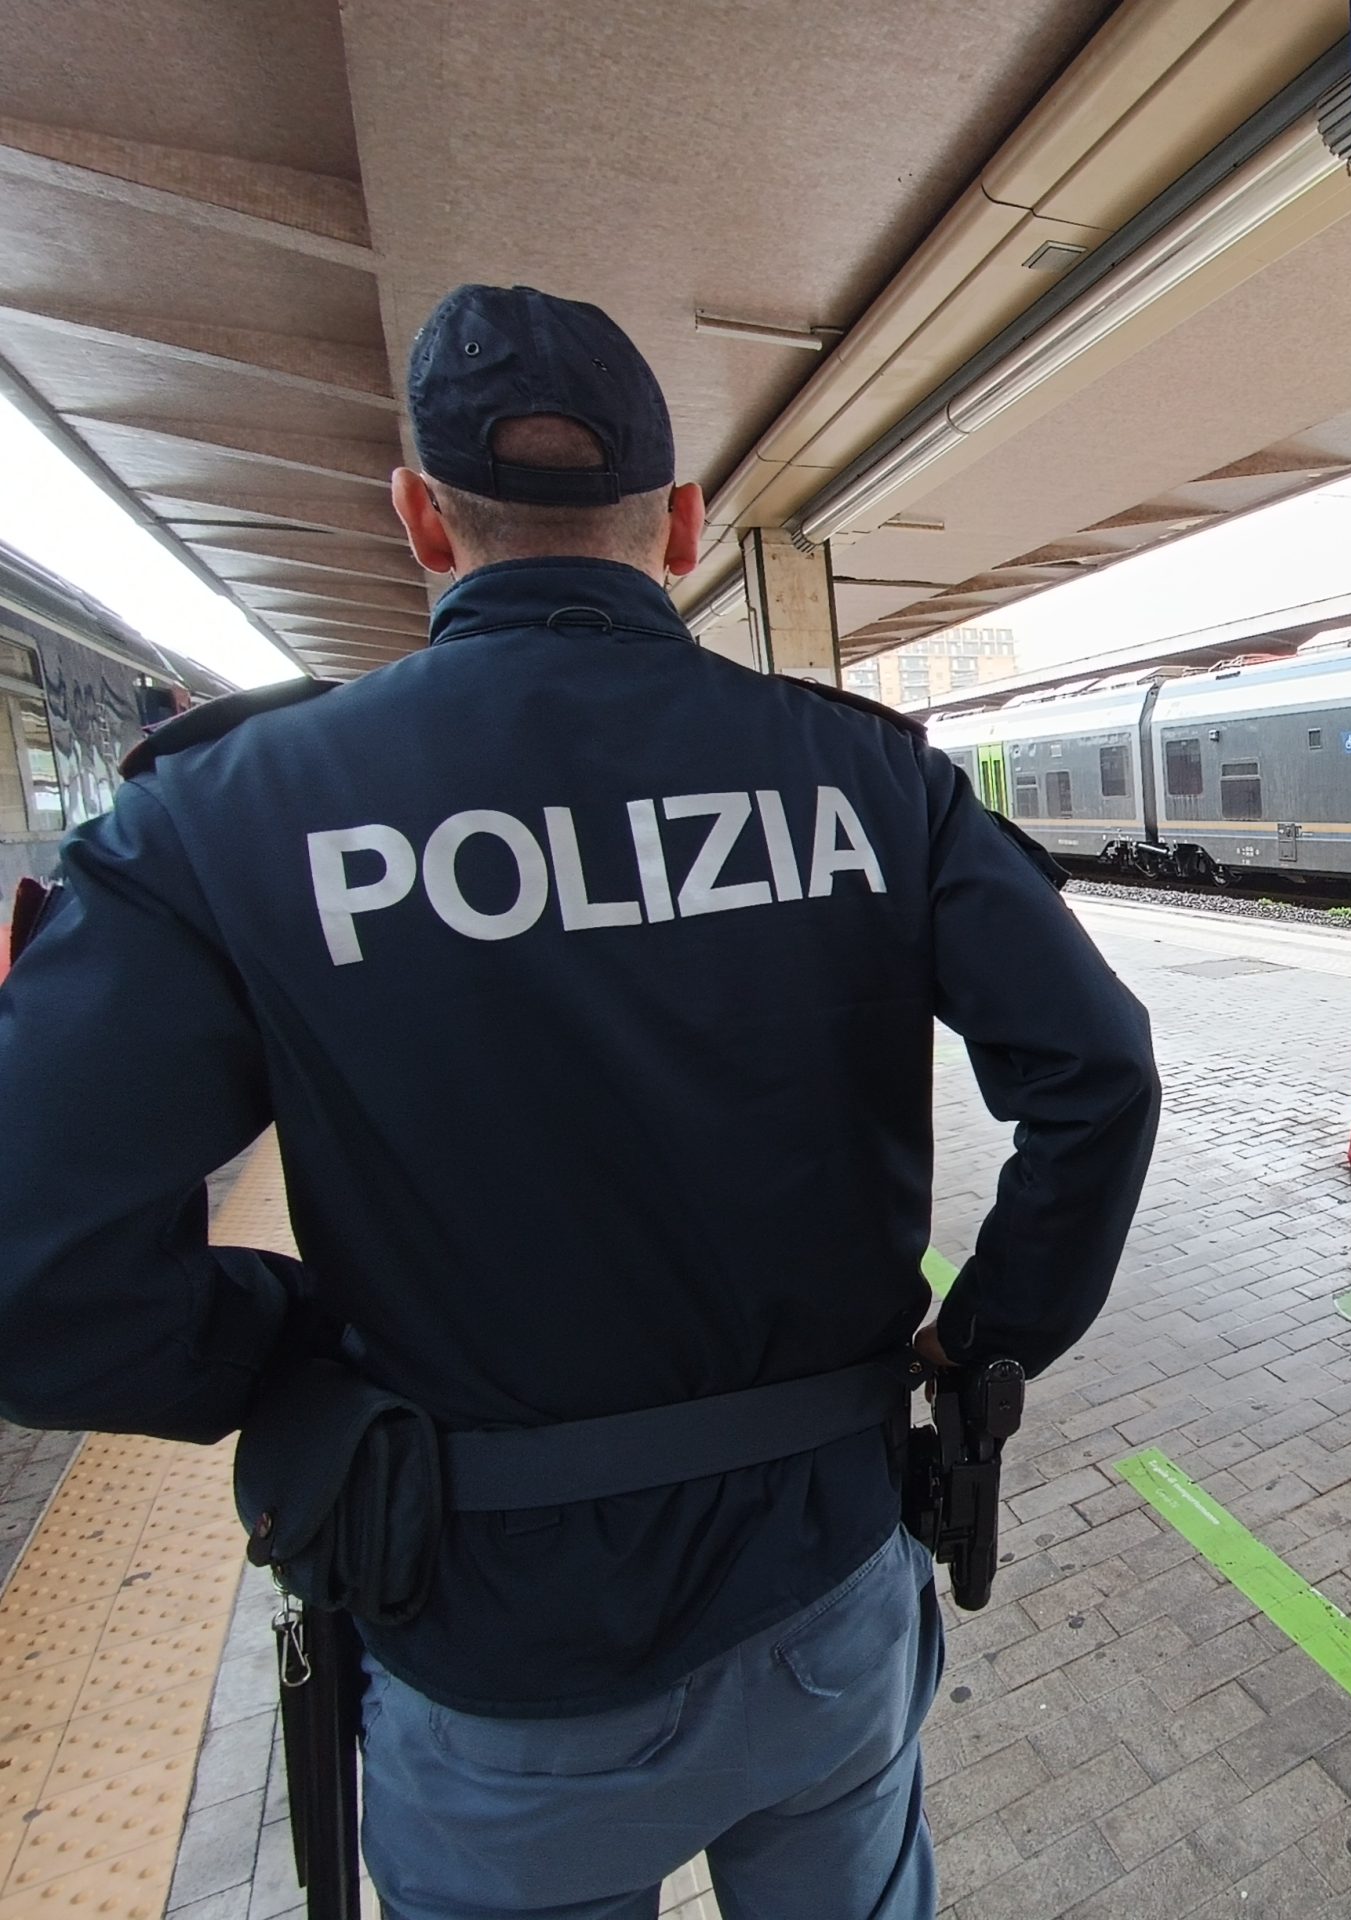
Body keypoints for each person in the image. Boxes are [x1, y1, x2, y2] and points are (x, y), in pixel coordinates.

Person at [0, 284, 1160, 1920]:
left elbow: (34, 1279)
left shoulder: (228, 821)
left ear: (418, 516)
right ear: (681, 524)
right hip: (823, 1590)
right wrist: (984, 1339)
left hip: (493, 1663)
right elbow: (1096, 1078)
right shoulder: (864, 779)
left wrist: (303, 1346)